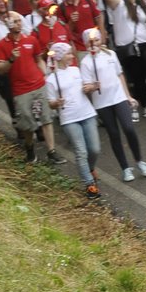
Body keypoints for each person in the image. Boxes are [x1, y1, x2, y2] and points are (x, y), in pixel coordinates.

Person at [81, 28, 146, 182]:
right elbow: (87, 87)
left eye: (96, 40)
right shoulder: (85, 62)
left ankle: (140, 161)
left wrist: (128, 95)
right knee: (114, 134)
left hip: (118, 98)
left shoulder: (110, 54)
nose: (93, 44)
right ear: (85, 44)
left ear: (101, 40)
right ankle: (125, 168)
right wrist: (93, 86)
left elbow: (119, 75)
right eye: (90, 41)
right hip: (102, 103)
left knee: (129, 128)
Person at [0, 9, 61, 165]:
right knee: (27, 123)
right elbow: (0, 69)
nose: (19, 24)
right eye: (15, 21)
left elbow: (38, 59)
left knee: (46, 118)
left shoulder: (31, 40)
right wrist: (11, 59)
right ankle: (29, 148)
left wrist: (45, 74)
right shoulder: (1, 45)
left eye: (19, 21)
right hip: (21, 90)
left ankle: (52, 151)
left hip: (38, 85)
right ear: (8, 23)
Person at [44, 41, 103, 198]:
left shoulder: (76, 70)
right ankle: (89, 183)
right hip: (69, 118)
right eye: (69, 53)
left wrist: (91, 87)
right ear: (60, 56)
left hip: (87, 113)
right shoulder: (51, 79)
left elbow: (87, 86)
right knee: (81, 151)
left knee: (94, 149)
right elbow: (50, 103)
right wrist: (57, 103)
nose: (72, 56)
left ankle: (90, 168)